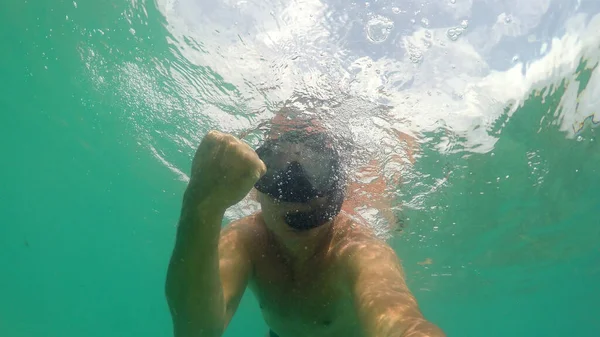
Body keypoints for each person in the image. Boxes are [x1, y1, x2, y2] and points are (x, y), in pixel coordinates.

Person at [165, 126, 445, 337]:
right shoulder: (246, 240)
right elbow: (196, 331)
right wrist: (202, 204)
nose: (301, 191)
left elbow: (403, 323)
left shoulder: (357, 251)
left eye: (319, 170)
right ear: (256, 188)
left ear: (337, 187)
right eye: (279, 172)